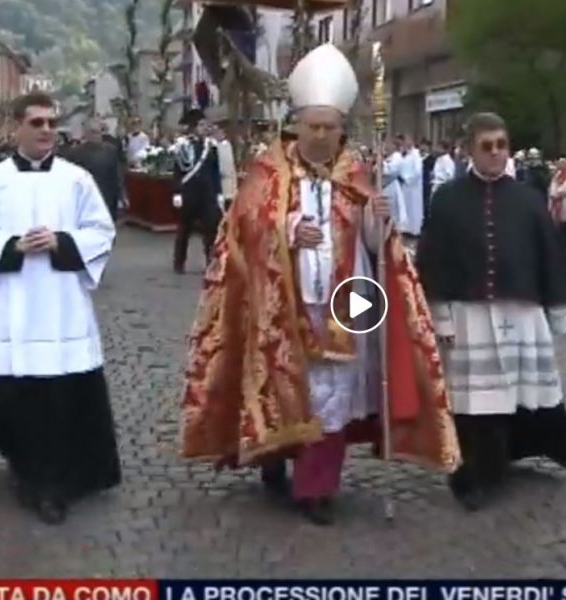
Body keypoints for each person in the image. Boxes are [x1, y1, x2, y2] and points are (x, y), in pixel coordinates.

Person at [178, 43, 460, 526]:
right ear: (298, 126)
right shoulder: (268, 171)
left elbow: (372, 246)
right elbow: (243, 227)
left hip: (346, 304)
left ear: (341, 130)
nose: (323, 136)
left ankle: (317, 488)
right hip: (283, 305)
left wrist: (378, 221)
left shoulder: (356, 173)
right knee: (282, 388)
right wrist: (287, 231)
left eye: (331, 128)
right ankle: (270, 457)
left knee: (332, 397)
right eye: (315, 127)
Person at [0, 92, 121, 525]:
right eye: (37, 122)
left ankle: (67, 475)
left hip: (62, 302)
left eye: (52, 122)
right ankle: (30, 473)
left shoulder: (76, 179)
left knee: (64, 392)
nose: (47, 130)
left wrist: (63, 242)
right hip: (13, 300)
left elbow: (101, 230)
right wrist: (11, 246)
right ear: (16, 128)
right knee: (19, 393)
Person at [416, 112, 566, 512]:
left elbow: (550, 260)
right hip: (468, 318)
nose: (495, 153)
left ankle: (510, 455)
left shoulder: (528, 200)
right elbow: (434, 263)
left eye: (501, 145)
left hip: (521, 317)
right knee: (474, 405)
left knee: (516, 396)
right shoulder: (447, 199)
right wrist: (440, 319)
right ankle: (474, 474)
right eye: (486, 146)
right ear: (469, 150)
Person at [171, 108, 223, 274]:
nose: (204, 128)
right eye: (201, 125)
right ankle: (179, 262)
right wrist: (177, 192)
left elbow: (215, 171)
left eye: (205, 125)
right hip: (189, 193)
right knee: (184, 230)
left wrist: (218, 192)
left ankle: (210, 261)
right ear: (193, 127)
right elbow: (178, 171)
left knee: (210, 230)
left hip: (207, 194)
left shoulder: (211, 146)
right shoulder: (183, 146)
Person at [66, 118, 123, 220]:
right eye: (93, 132)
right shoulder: (76, 153)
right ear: (86, 134)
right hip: (86, 198)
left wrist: (122, 195)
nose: (96, 135)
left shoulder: (111, 150)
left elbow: (117, 174)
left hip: (108, 196)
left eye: (98, 132)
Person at [398, 134, 424, 237]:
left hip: (413, 186)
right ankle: (406, 228)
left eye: (408, 141)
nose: (406, 143)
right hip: (405, 186)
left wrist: (408, 179)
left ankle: (414, 230)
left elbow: (417, 171)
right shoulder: (406, 154)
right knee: (406, 207)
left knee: (413, 208)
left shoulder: (416, 154)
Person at [214, 126, 238, 211]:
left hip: (229, 183)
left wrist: (234, 186)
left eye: (220, 132)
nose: (218, 134)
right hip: (219, 183)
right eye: (216, 132)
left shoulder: (227, 145)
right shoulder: (213, 146)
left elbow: (231, 165)